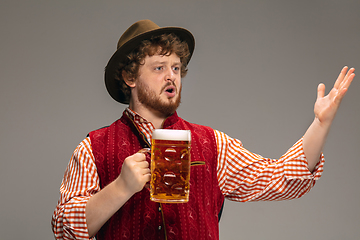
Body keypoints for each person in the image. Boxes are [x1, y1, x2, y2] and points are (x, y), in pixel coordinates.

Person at [51, 19, 355, 240]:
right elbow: (63, 228)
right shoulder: (94, 147)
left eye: (176, 68)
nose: (171, 76)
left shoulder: (213, 144)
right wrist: (120, 188)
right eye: (159, 68)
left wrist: (320, 123)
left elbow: (280, 178)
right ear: (130, 77)